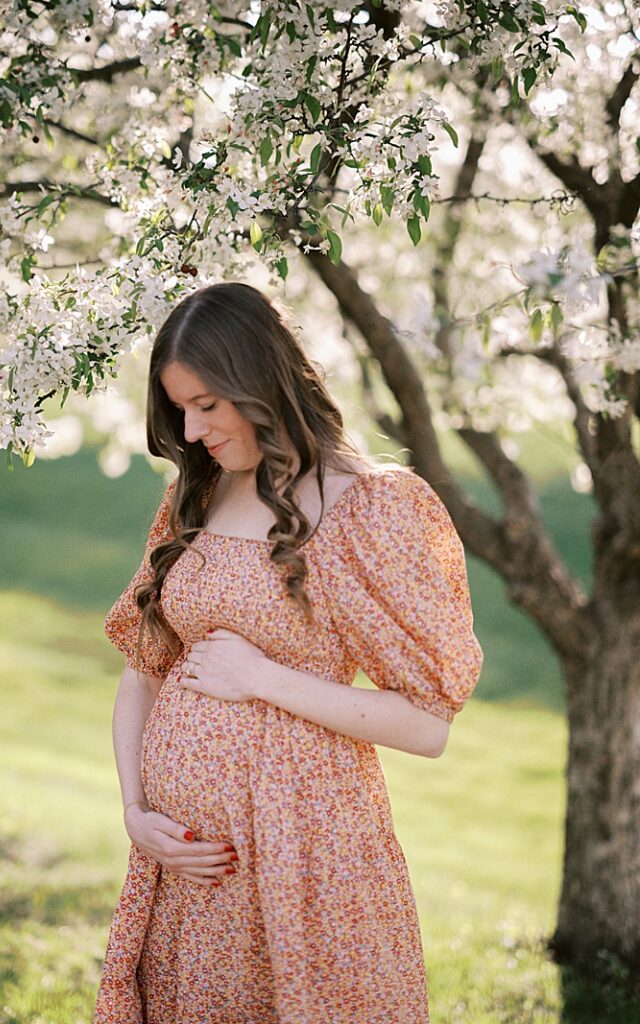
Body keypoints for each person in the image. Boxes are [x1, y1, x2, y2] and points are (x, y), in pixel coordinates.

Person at [92, 282, 484, 1024]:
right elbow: (143, 672)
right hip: (186, 869)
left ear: (260, 379)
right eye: (181, 408)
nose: (194, 427)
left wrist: (264, 678)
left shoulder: (369, 506)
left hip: (305, 855)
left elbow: (427, 725)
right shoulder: (194, 498)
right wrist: (137, 812)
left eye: (208, 403)